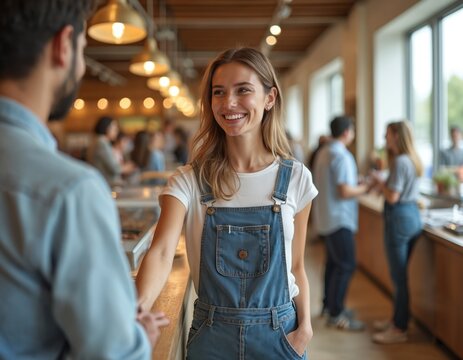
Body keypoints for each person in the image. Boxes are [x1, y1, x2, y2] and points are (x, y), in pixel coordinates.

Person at [0, 1, 169, 358]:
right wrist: (140, 340)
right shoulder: (68, 191)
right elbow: (113, 353)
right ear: (63, 46)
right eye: (82, 51)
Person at [136, 47, 317, 359]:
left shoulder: (296, 178)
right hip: (212, 337)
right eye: (218, 92)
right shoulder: (188, 180)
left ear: (269, 98)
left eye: (243, 90)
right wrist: (136, 311)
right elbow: (162, 251)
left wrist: (306, 328)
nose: (228, 102)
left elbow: (297, 265)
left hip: (281, 335)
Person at [313, 115, 370, 331]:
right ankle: (337, 314)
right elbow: (344, 191)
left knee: (333, 263)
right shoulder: (341, 155)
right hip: (340, 219)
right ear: (347, 132)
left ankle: (329, 305)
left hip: (327, 216)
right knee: (346, 264)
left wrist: (356, 184)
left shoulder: (324, 151)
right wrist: (366, 188)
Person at [371, 121, 423, 344]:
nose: (384, 138)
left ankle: (399, 328)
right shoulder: (410, 160)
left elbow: (392, 196)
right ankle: (397, 319)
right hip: (412, 217)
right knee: (400, 276)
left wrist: (378, 182)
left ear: (396, 137)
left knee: (398, 277)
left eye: (387, 134)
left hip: (399, 218)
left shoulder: (400, 162)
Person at [87, 116, 135, 185]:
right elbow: (115, 169)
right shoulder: (101, 143)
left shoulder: (98, 141)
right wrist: (127, 167)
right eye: (114, 128)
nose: (116, 131)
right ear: (106, 128)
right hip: (109, 184)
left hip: (103, 182)